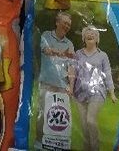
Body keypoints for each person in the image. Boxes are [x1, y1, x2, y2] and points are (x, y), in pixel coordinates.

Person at [72, 26, 117, 151]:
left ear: (97, 38)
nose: (90, 35)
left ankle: (95, 148)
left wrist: (112, 92)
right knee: (84, 126)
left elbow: (107, 73)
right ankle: (86, 148)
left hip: (97, 92)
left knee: (90, 121)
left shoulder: (103, 55)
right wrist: (70, 86)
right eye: (87, 33)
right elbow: (73, 72)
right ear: (83, 38)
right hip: (79, 93)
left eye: (93, 33)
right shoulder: (78, 54)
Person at [36, 12, 75, 145]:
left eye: (69, 24)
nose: (67, 26)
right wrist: (62, 53)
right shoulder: (46, 35)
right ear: (57, 22)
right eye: (65, 23)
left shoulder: (69, 43)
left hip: (62, 87)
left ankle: (56, 143)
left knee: (60, 117)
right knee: (42, 114)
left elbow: (71, 67)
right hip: (46, 83)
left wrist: (71, 86)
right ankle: (39, 142)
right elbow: (46, 50)